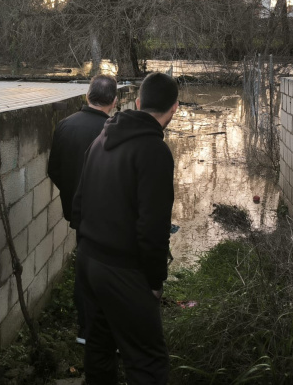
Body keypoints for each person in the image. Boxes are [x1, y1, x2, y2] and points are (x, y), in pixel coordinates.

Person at [71, 72, 179, 385]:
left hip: (89, 262)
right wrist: (155, 281)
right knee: (147, 360)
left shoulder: (102, 137)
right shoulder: (154, 152)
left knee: (100, 349)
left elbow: (79, 203)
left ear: (138, 101)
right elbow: (153, 228)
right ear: (174, 109)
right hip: (123, 270)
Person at [47, 74, 118, 344]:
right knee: (107, 271)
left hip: (79, 214)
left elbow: (54, 170)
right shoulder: (114, 130)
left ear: (87, 97)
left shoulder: (64, 126)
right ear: (113, 102)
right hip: (109, 216)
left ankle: (85, 330)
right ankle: (102, 330)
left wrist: (72, 196)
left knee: (85, 266)